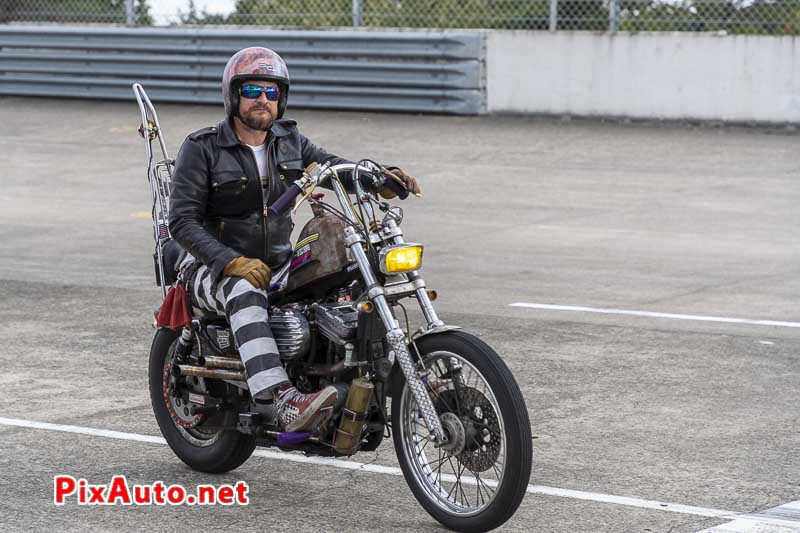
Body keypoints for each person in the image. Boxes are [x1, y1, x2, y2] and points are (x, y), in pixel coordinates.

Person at [168, 47, 420, 433]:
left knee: (346, 276)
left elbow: (334, 167)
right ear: (233, 95)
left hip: (278, 263)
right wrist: (229, 262)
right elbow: (182, 222)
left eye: (272, 92)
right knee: (242, 287)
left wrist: (380, 178)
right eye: (252, 89)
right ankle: (278, 400)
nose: (263, 100)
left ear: (281, 99)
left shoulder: (290, 140)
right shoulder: (202, 148)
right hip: (209, 266)